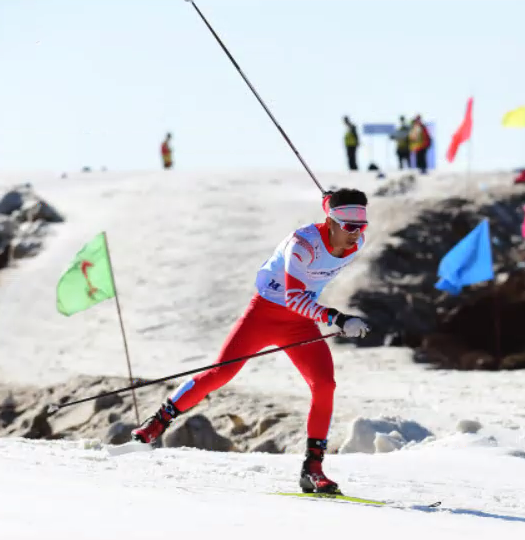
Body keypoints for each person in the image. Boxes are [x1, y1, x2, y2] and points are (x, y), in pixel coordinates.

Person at [131, 188, 372, 494]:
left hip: (299, 324)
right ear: (331, 221)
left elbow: (303, 299)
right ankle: (158, 422)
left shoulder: (356, 242)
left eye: (362, 226)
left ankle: (312, 470)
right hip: (264, 314)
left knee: (325, 385)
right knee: (221, 373)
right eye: (349, 227)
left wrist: (334, 200)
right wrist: (337, 319)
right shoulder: (302, 244)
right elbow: (293, 296)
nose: (356, 234)